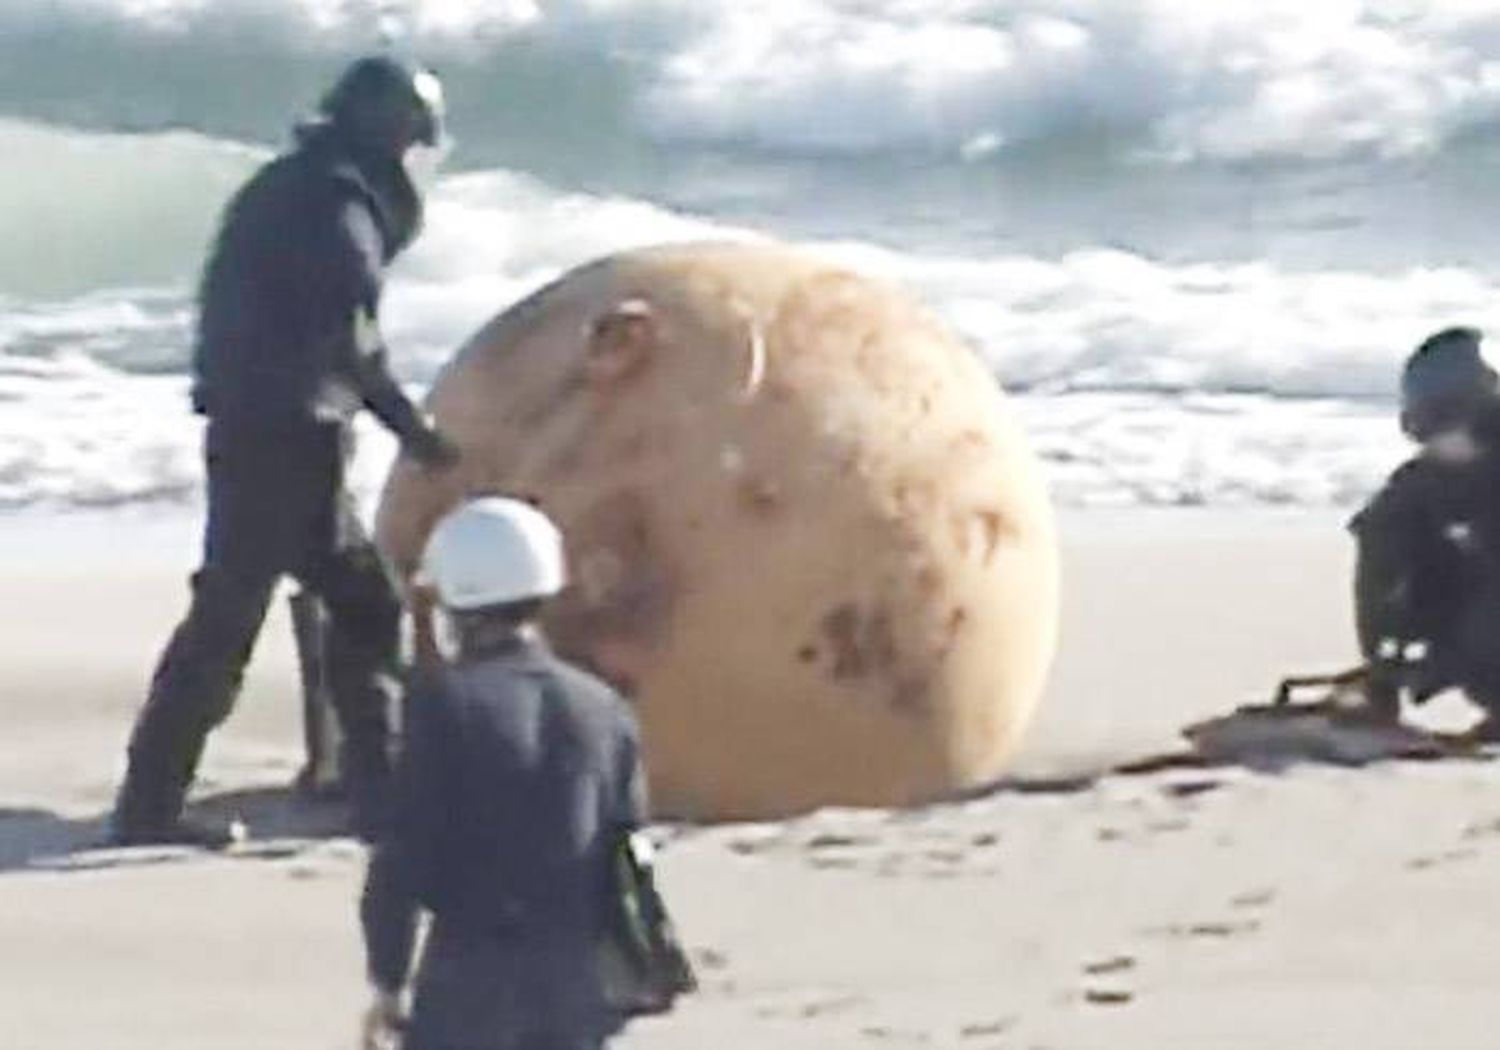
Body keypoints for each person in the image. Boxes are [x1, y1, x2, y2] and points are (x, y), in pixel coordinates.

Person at [110, 55, 460, 847]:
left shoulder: (295, 185)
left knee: (336, 603)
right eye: (411, 139)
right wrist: (417, 434)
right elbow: (353, 343)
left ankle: (371, 791)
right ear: (388, 131)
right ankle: (153, 807)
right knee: (274, 615)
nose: (413, 157)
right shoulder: (339, 203)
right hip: (288, 439)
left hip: (258, 430)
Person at [360, 496, 647, 1050]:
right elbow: (626, 848)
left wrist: (387, 979)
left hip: (470, 982)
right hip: (578, 984)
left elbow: (404, 854)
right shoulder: (604, 706)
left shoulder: (444, 704)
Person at [1349, 326, 1500, 734]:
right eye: (1425, 428)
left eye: (1449, 421)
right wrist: (1382, 663)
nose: (1440, 440)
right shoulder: (1423, 484)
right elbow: (1377, 555)